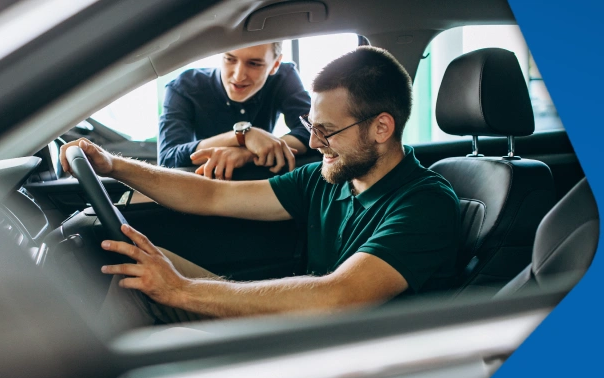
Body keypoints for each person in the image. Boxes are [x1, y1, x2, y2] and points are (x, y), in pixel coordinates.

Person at [61, 46, 460, 329]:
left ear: (382, 128)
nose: (315, 143)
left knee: (150, 285)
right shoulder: (325, 180)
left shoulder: (425, 202)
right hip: (298, 326)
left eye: (328, 131)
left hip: (341, 354)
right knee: (139, 267)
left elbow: (338, 297)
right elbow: (211, 194)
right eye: (311, 128)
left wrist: (182, 290)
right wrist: (113, 165)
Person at [158, 42, 311, 180]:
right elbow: (167, 159)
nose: (238, 76)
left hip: (262, 184)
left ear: (275, 64)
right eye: (230, 59)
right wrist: (242, 136)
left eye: (254, 64)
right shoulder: (184, 86)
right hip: (204, 187)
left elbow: (314, 131)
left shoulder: (284, 76)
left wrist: (248, 153)